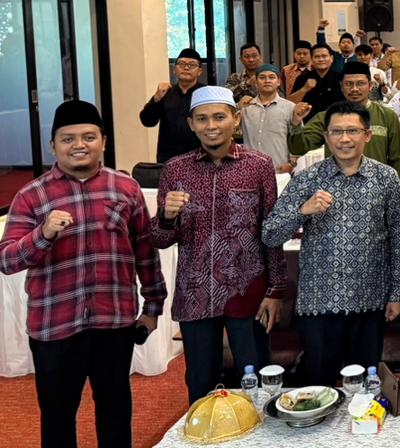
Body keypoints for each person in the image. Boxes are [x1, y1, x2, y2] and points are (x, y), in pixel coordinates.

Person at [0, 100, 166, 448]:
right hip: (55, 327)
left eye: (89, 136)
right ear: (53, 146)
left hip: (114, 323)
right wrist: (42, 235)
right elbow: (7, 260)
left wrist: (152, 308)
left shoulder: (125, 188)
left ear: (103, 141)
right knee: (58, 419)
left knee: (116, 414)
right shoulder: (32, 195)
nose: (79, 145)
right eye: (68, 138)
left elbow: (145, 251)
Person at [151, 86, 286, 403]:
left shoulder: (258, 165)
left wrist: (275, 290)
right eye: (202, 119)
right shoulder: (174, 169)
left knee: (255, 382)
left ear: (235, 119)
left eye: (219, 117)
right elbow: (159, 239)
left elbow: (272, 232)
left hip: (247, 291)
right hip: (196, 295)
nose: (211, 125)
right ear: (191, 124)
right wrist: (167, 216)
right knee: (201, 385)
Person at [263, 101, 400, 387]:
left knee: (365, 387)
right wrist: (302, 211)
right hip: (319, 301)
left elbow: (398, 237)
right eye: (337, 132)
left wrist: (397, 293)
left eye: (352, 131)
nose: (344, 139)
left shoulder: (386, 178)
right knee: (318, 385)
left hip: (370, 300)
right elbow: (270, 234)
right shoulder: (307, 179)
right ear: (326, 137)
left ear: (367, 135)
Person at [288, 60, 400, 184]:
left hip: (377, 191)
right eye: (349, 84)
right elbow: (298, 148)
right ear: (341, 86)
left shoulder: (387, 117)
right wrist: (296, 123)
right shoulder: (327, 117)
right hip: (337, 190)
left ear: (370, 85)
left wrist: (396, 195)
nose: (354, 89)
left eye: (360, 83)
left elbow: (397, 160)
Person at [140, 48, 207, 162]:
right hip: (168, 158)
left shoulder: (206, 93)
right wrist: (156, 98)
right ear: (174, 70)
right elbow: (147, 121)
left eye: (192, 65)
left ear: (200, 71)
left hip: (201, 158)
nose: (186, 68)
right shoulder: (165, 92)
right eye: (181, 64)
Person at [240, 64, 296, 173]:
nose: (267, 81)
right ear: (255, 82)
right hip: (250, 171)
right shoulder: (246, 107)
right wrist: (237, 107)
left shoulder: (290, 107)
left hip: (279, 170)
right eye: (262, 77)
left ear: (278, 82)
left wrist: (292, 164)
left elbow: (297, 139)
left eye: (272, 77)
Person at [288, 43, 343, 120]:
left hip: (336, 122)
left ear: (331, 58)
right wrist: (304, 89)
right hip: (309, 125)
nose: (321, 59)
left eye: (324, 56)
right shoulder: (302, 78)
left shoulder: (340, 78)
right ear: (311, 60)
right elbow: (290, 103)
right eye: (317, 57)